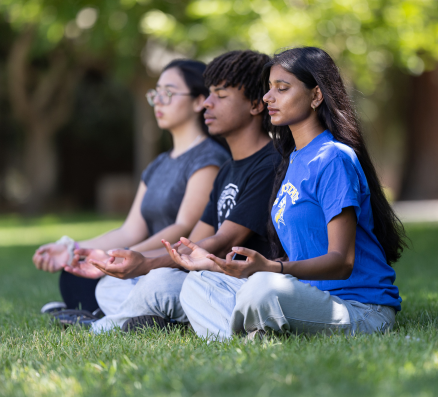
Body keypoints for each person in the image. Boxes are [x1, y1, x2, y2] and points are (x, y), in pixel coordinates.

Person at [176, 47, 407, 341]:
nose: (268, 97)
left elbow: (342, 260)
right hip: (307, 297)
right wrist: (221, 265)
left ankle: (245, 334)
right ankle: (253, 337)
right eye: (269, 89)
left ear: (316, 96)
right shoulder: (293, 160)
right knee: (200, 283)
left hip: (359, 308)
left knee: (263, 288)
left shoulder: (333, 158)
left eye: (281, 89)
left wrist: (273, 269)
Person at [78, 49, 283, 333]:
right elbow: (194, 241)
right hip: (206, 278)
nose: (207, 104)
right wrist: (141, 262)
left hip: (236, 284)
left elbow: (224, 241)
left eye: (220, 96)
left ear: (255, 105)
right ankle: (165, 321)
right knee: (116, 285)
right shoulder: (228, 170)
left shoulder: (270, 163)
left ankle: (102, 326)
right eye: (208, 94)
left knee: (158, 282)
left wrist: (146, 264)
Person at [32, 59, 229, 318]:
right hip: (143, 264)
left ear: (198, 101)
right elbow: (130, 229)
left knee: (130, 283)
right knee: (77, 274)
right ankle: (106, 311)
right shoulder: (159, 164)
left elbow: (183, 228)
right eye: (155, 93)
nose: (158, 100)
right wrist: (74, 249)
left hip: (170, 268)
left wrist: (128, 258)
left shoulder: (208, 159)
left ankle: (107, 314)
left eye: (168, 92)